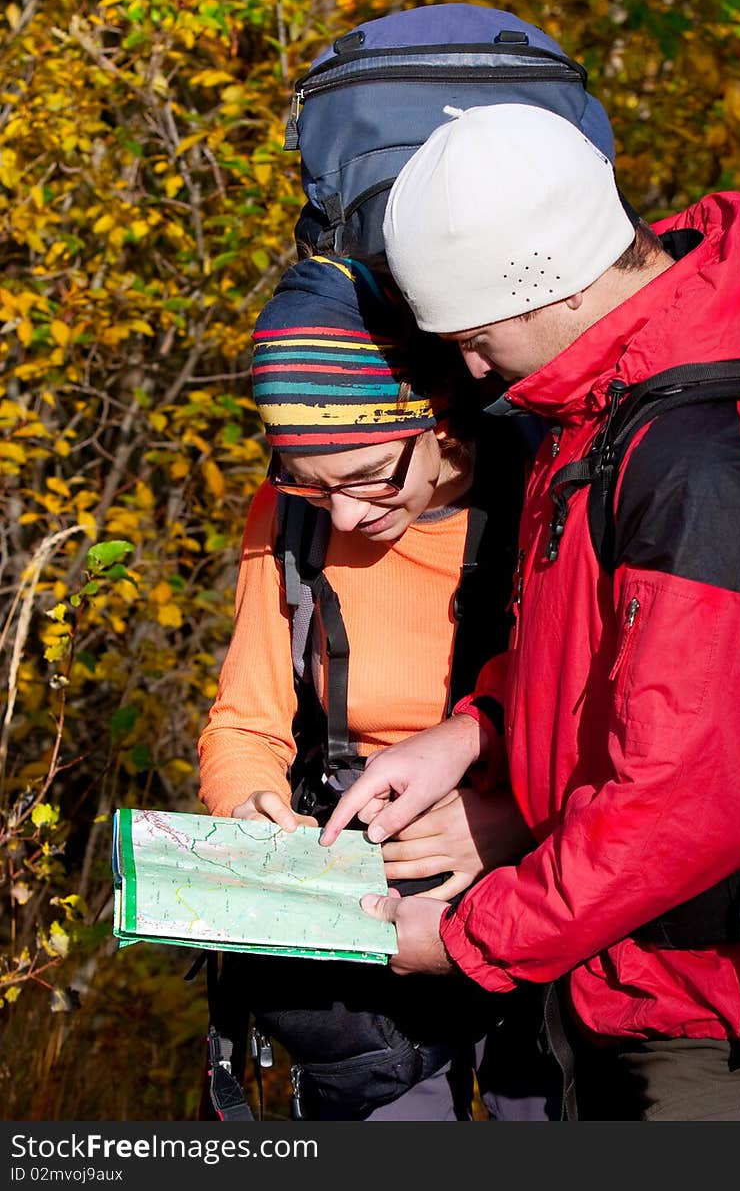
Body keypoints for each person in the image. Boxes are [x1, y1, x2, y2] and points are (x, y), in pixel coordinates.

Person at [320, 103, 740, 1120]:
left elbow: (687, 799)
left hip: (739, 1027)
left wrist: (465, 938)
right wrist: (469, 735)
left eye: (477, 337)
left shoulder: (702, 461)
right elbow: (590, 655)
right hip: (629, 985)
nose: (475, 369)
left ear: (546, 282)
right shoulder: (604, 408)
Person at [197, 251, 557, 1121]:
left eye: (368, 476)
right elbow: (245, 724)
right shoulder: (288, 522)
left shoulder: (547, 493)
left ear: (438, 421)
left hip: (540, 893)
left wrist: (511, 822)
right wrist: (251, 819)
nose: (350, 516)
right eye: (314, 488)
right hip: (360, 924)